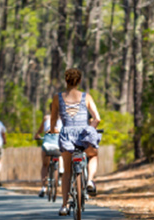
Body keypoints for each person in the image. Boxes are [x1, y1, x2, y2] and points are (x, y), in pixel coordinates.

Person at [49, 68, 101, 216]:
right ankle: (90, 180)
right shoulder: (86, 97)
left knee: (67, 171)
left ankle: (64, 206)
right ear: (79, 81)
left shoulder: (57, 97)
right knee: (93, 155)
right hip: (83, 134)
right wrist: (90, 129)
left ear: (66, 80)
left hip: (66, 135)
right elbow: (97, 118)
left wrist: (53, 130)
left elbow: (53, 119)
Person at [34, 104, 64, 197]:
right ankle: (61, 169)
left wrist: (37, 136)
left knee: (45, 165)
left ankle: (43, 187)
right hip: (58, 144)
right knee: (62, 152)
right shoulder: (64, 119)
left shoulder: (46, 118)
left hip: (47, 143)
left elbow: (38, 132)